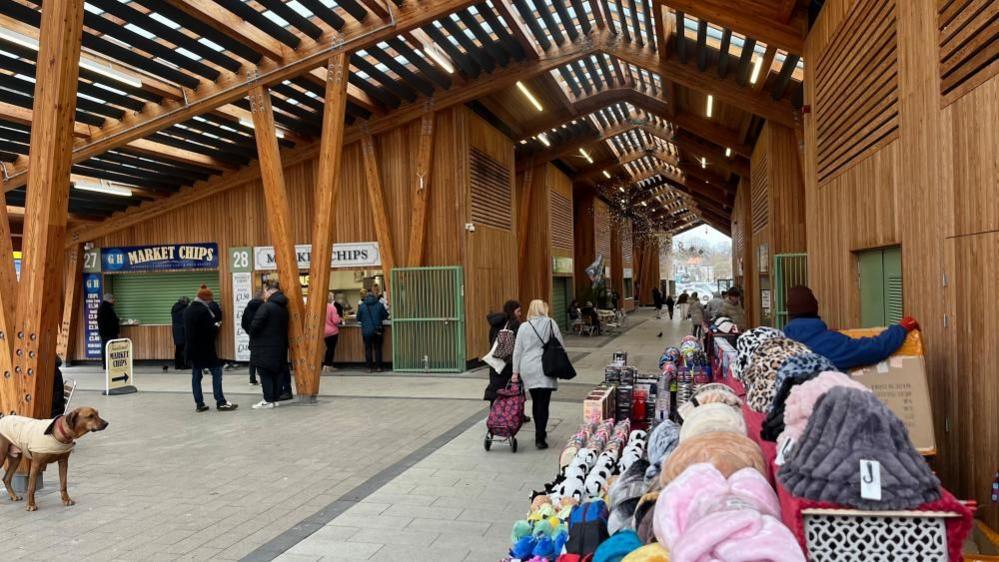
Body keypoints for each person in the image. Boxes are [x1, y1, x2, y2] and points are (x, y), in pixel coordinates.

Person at [782, 286, 920, 371]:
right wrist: (901, 329)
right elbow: (873, 349)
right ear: (815, 307)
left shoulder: (780, 343)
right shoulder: (830, 344)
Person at [512, 300, 562, 450]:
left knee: (535, 401)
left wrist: (515, 372)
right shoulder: (551, 323)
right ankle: (540, 437)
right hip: (547, 367)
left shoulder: (524, 326)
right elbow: (560, 344)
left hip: (529, 368)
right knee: (544, 402)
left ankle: (539, 432)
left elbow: (517, 351)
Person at [184, 285, 237, 412]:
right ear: (206, 299)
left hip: (192, 348)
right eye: (210, 299)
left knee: (196, 377)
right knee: (217, 373)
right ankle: (220, 401)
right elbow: (209, 330)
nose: (211, 301)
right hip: (206, 349)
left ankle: (199, 404)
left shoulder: (188, 310)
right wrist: (216, 325)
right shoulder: (204, 311)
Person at [248, 281, 290, 409]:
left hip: (264, 347)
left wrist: (253, 334)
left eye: (265, 291)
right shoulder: (284, 308)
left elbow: (255, 326)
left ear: (270, 291)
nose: (264, 294)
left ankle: (267, 399)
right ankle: (275, 399)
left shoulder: (266, 307)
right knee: (277, 372)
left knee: (265, 373)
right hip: (280, 346)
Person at [483, 300, 522, 405]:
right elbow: (519, 344)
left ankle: (494, 413)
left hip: (495, 360)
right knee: (511, 389)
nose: (520, 314)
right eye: (518, 311)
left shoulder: (496, 323)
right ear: (513, 311)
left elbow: (491, 339)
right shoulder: (515, 324)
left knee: (495, 388)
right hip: (509, 362)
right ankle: (512, 413)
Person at [358, 289, 389, 372]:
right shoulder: (379, 305)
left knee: (368, 349)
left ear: (365, 296)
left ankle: (369, 368)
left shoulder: (362, 306)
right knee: (378, 348)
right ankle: (379, 367)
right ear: (374, 296)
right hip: (377, 330)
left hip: (366, 331)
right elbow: (385, 316)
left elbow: (358, 318)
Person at [241, 289, 265, 386]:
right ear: (262, 297)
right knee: (263, 358)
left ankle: (252, 378)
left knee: (253, 357)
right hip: (263, 335)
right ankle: (264, 379)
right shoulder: (264, 307)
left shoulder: (248, 307)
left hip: (253, 335)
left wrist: (250, 332)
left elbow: (243, 323)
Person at [96, 293, 120, 370]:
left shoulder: (101, 308)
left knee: (104, 348)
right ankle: (108, 365)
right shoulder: (108, 308)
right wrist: (117, 320)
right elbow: (112, 321)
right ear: (109, 300)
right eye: (113, 299)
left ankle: (105, 365)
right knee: (110, 349)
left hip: (104, 333)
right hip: (109, 333)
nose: (114, 300)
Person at [323, 291, 342, 373]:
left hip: (323, 332)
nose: (333, 298)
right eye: (332, 297)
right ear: (330, 298)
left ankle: (326, 366)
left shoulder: (320, 307)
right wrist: (339, 318)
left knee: (328, 349)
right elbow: (335, 321)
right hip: (332, 332)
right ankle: (328, 366)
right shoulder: (332, 307)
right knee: (331, 349)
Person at [170, 297, 189, 371]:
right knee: (183, 348)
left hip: (176, 331)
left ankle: (177, 365)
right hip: (182, 331)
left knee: (178, 348)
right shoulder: (184, 309)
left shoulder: (174, 308)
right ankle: (183, 365)